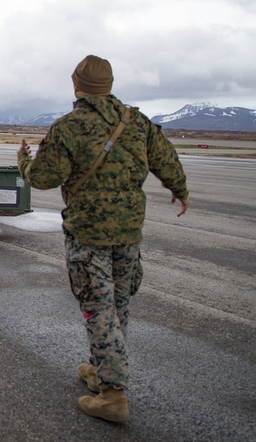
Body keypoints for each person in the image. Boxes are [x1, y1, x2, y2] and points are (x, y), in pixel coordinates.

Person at [17, 55, 189, 423]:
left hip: (89, 235)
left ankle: (113, 395)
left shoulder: (69, 128)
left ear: (75, 84)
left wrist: (24, 163)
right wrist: (180, 189)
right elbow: (166, 158)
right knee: (119, 306)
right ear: (109, 85)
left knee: (98, 308)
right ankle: (101, 371)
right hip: (128, 232)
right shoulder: (137, 122)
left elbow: (43, 178)